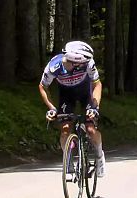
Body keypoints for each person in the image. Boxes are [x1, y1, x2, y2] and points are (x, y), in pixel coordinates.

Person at [38, 41, 105, 177]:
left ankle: (99, 155)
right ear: (75, 62)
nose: (84, 64)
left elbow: (97, 84)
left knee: (91, 130)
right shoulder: (53, 66)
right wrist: (51, 108)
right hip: (66, 94)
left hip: (85, 92)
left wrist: (95, 106)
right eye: (81, 63)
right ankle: (68, 162)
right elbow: (43, 86)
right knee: (64, 131)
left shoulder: (88, 63)